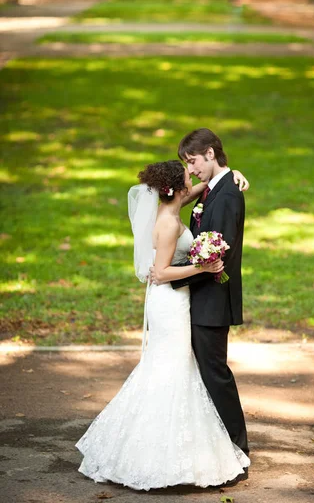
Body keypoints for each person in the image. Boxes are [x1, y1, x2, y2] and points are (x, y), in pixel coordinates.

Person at [75, 160, 250, 490]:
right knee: (169, 369)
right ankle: (156, 455)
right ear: (175, 188)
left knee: (172, 367)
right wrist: (204, 267)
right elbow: (163, 272)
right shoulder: (168, 223)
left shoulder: (171, 205)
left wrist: (231, 176)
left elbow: (201, 188)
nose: (192, 178)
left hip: (172, 301)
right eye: (187, 177)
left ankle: (167, 447)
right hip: (169, 302)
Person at [161, 128, 250, 461]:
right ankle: (217, 445)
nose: (192, 169)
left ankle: (237, 448)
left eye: (194, 161)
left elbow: (216, 257)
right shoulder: (216, 188)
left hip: (213, 302)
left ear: (211, 153)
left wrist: (172, 278)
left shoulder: (227, 195)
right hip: (202, 300)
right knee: (206, 374)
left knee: (215, 374)